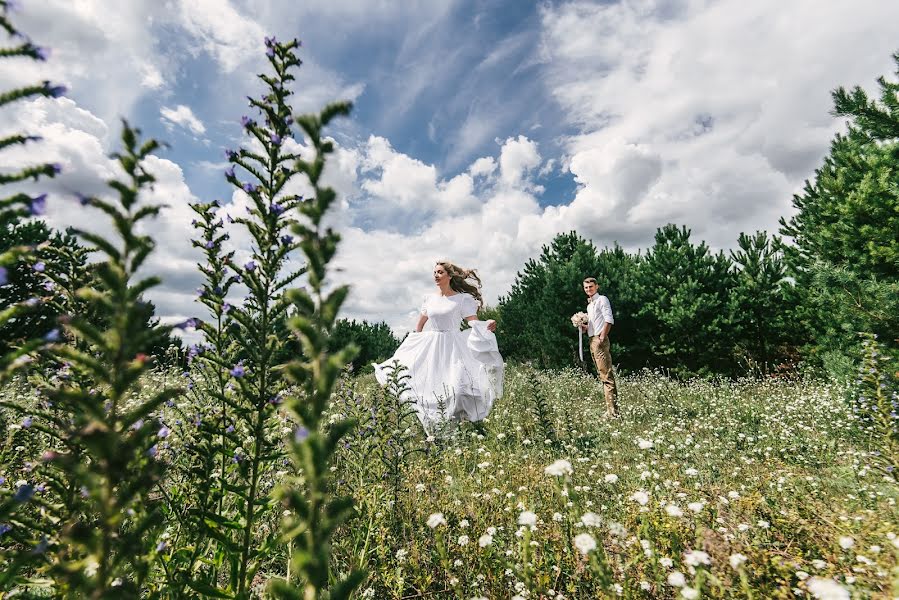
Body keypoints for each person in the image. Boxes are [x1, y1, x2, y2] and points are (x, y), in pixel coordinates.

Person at [374, 261, 504, 430]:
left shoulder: (462, 299)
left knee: (457, 387)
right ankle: (439, 427)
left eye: (440, 272)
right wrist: (415, 348)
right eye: (434, 272)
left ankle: (464, 425)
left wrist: (488, 324)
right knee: (432, 387)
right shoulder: (429, 299)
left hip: (454, 347)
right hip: (433, 347)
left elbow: (474, 323)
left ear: (449, 276)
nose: (436, 275)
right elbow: (419, 326)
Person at [581, 277, 619, 417]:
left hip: (599, 339)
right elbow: (593, 324)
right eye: (586, 287)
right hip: (592, 339)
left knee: (606, 375)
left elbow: (608, 319)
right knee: (602, 375)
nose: (588, 289)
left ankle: (613, 412)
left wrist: (602, 337)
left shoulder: (602, 299)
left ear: (596, 286)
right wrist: (584, 327)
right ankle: (611, 409)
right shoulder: (590, 305)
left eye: (591, 286)